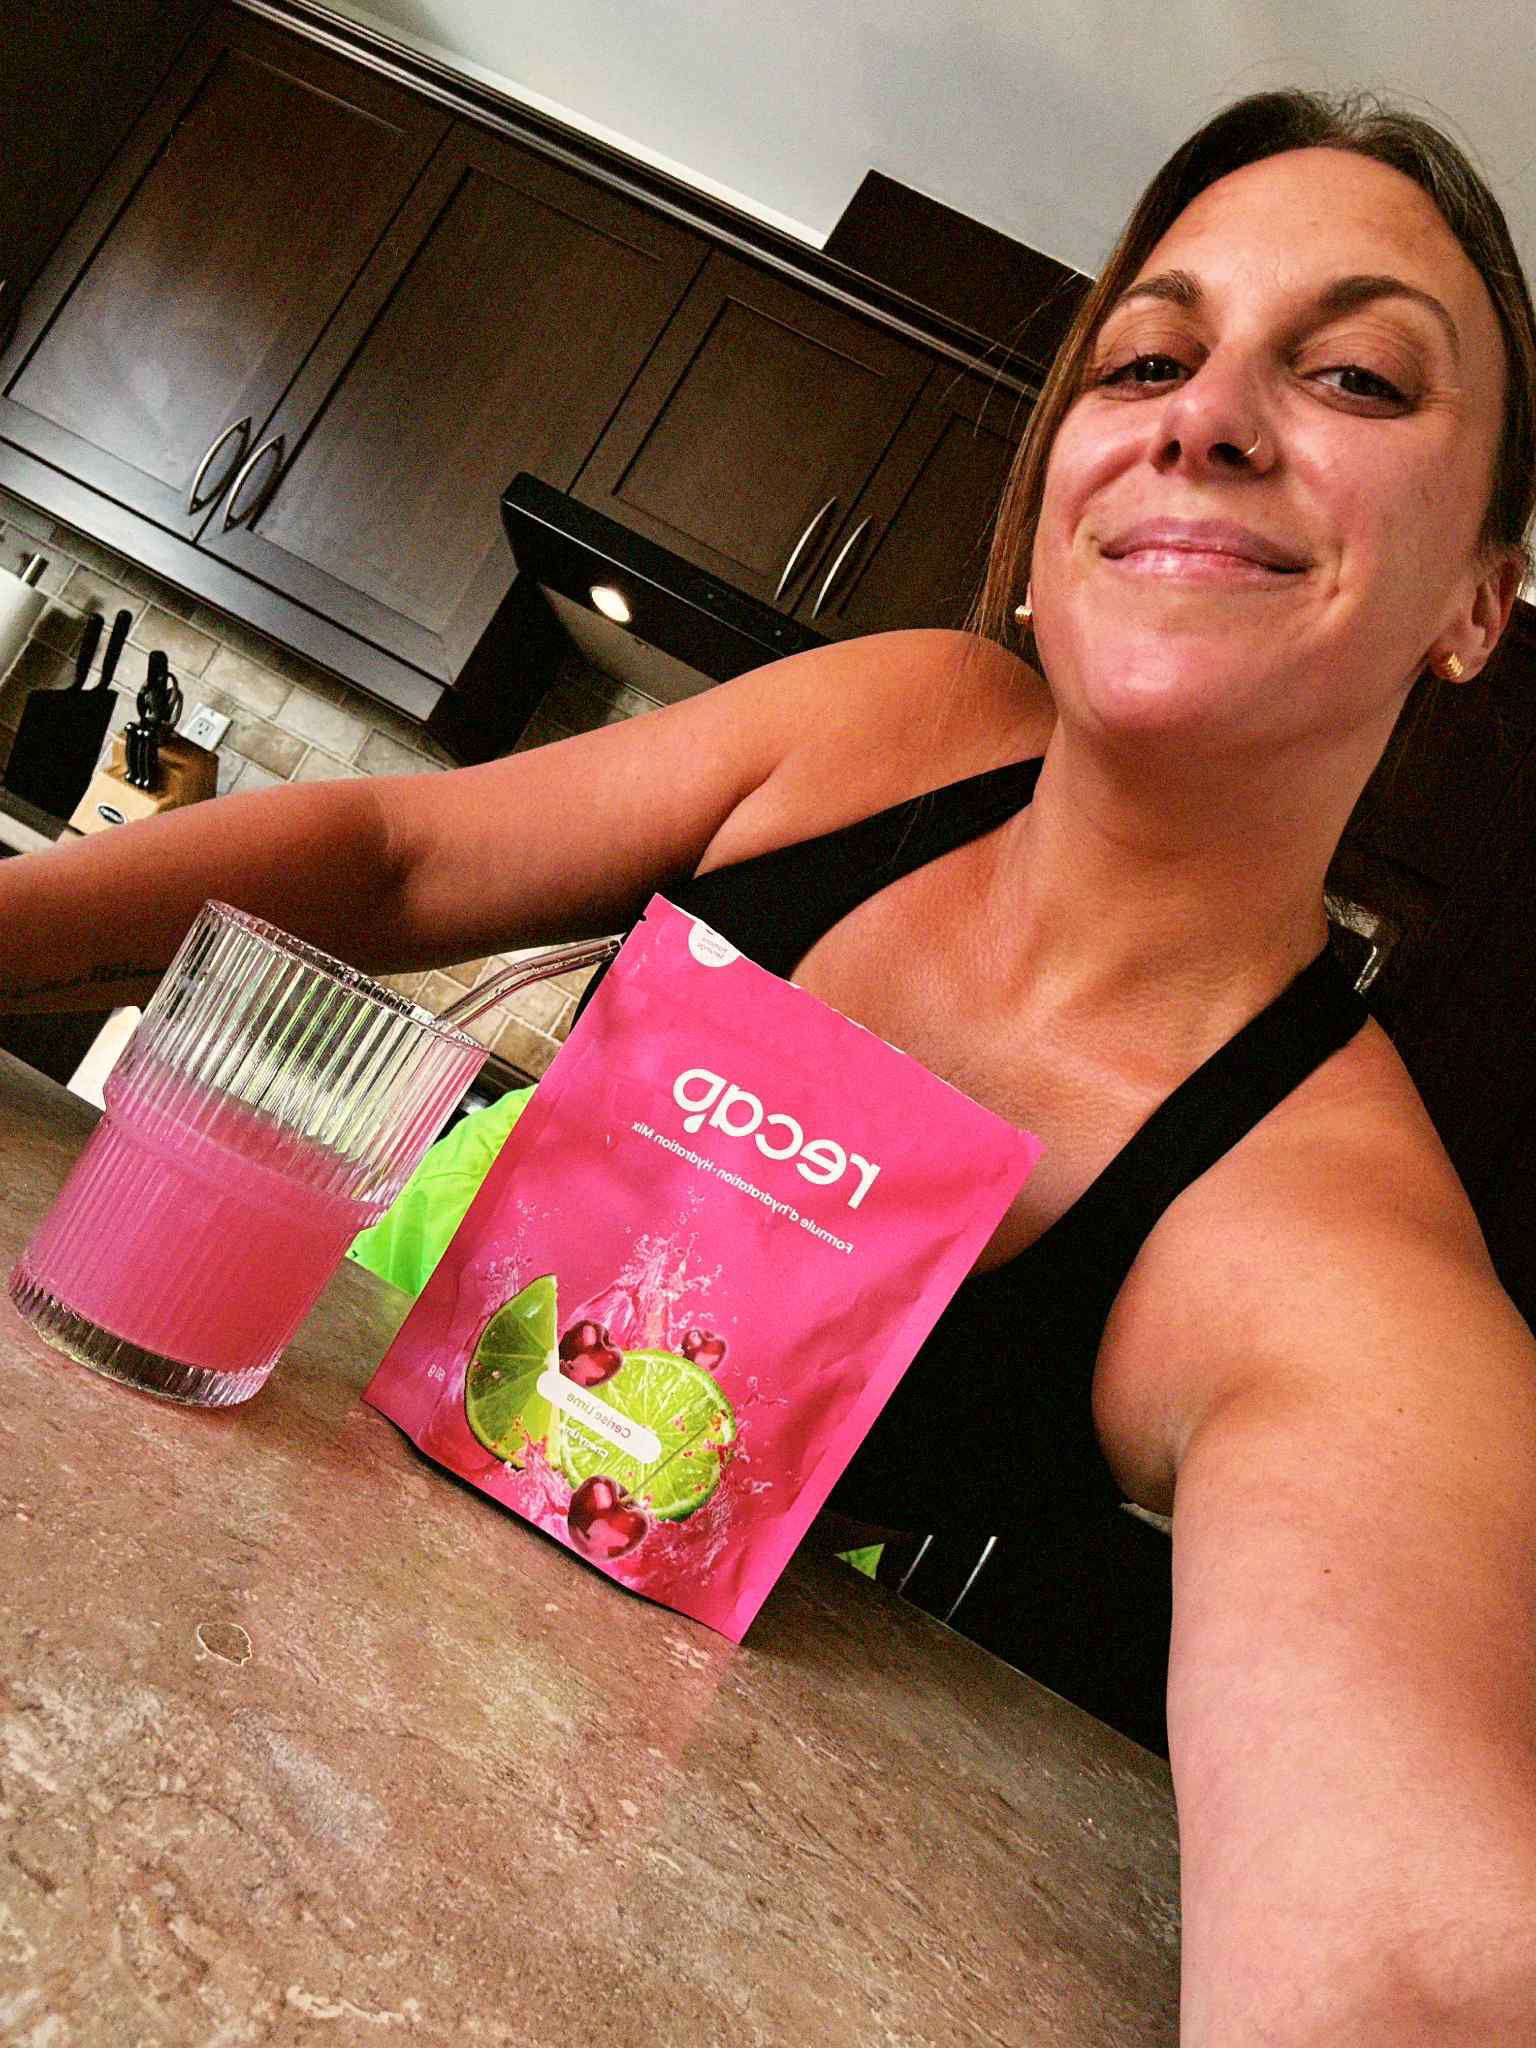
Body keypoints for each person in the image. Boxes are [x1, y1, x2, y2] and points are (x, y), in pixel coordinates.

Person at [4, 86, 1536, 2041]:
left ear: (1482, 595)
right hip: (240, 1515)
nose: (1208, 415)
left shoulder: (1343, 1262)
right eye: (1147, 358)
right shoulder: (900, 717)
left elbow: (1405, 1954)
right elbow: (395, 857)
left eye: (1358, 378)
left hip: (576, 1864)